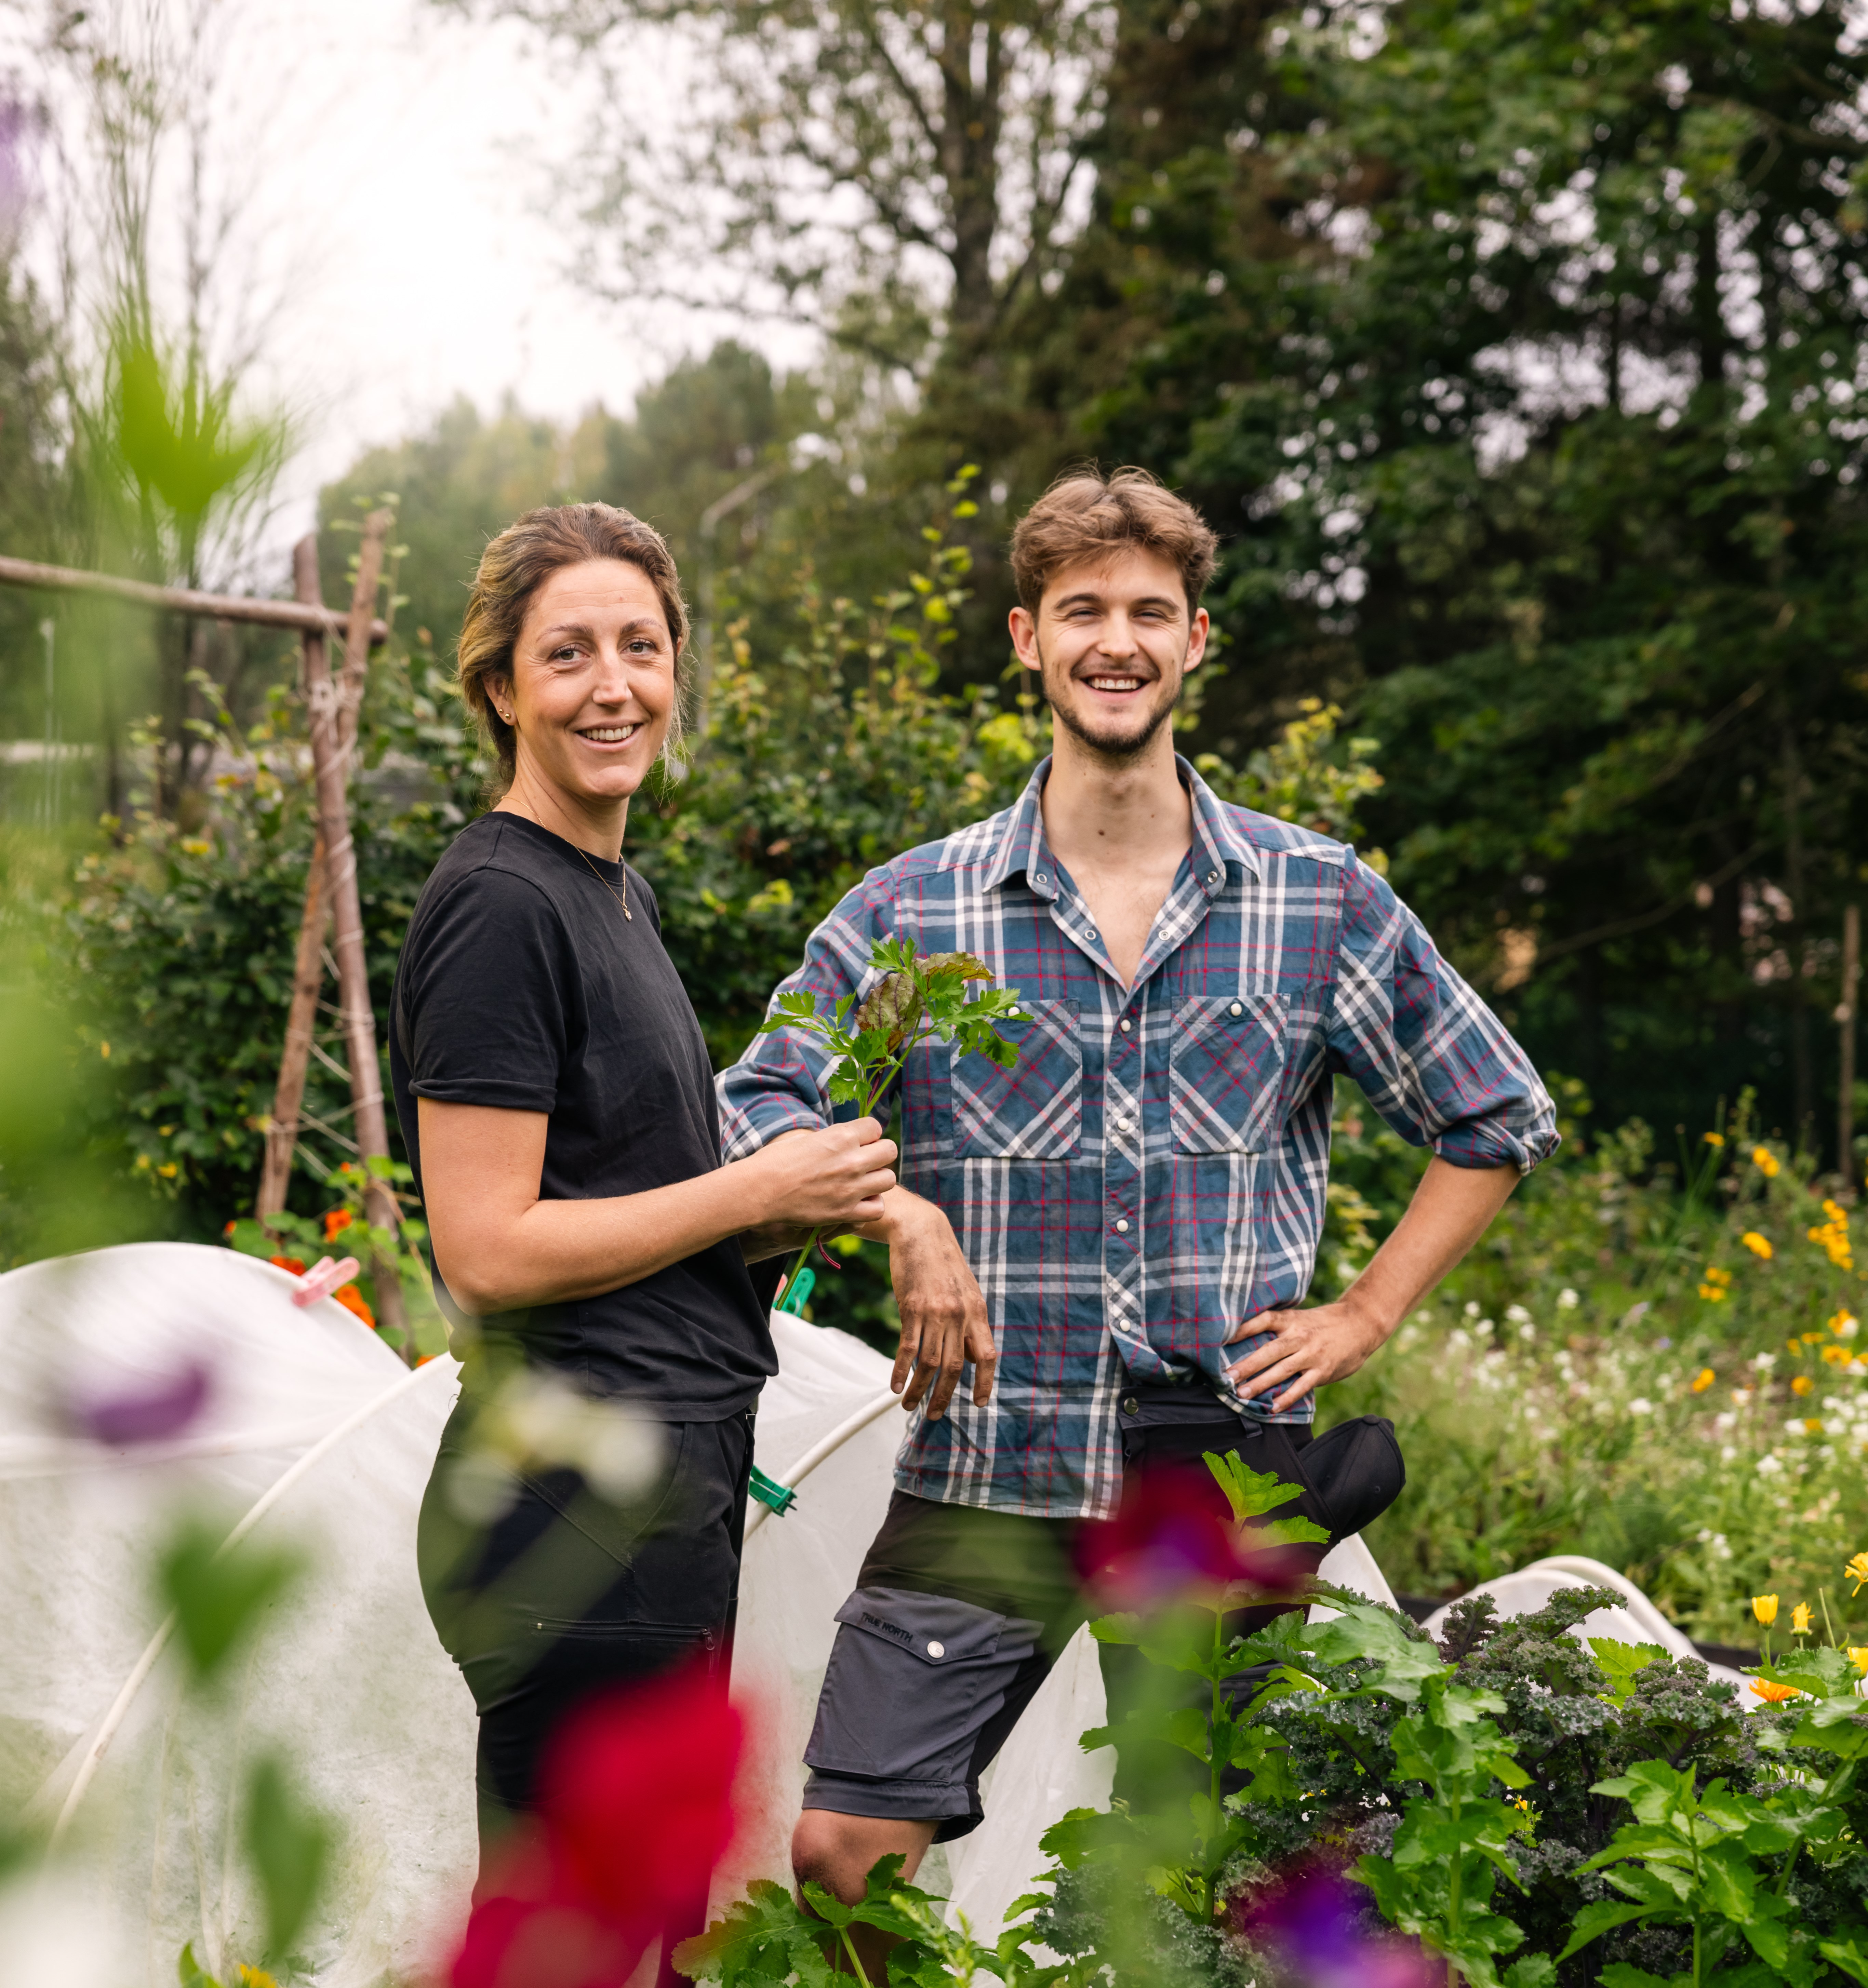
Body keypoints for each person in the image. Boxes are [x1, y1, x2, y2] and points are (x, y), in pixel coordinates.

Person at [718, 468, 1559, 1943]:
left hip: (1212, 1482)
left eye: (1149, 612)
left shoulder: (1318, 900)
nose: (1117, 640)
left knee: (1214, 1892)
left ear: (1197, 640)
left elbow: (1495, 1112)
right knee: (847, 1848)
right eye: (1084, 611)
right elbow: (763, 1108)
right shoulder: (919, 912)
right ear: (1025, 637)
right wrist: (897, 1213)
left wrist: (1366, 1310)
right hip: (990, 1458)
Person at [389, 504, 897, 1967]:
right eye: (567, 654)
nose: (613, 684)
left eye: (641, 645)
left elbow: (621, 1205)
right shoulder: (499, 902)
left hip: (654, 1479)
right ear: (499, 686)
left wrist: (801, 1200)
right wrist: (750, 1193)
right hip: (570, 1499)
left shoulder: (610, 891)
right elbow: (486, 1248)